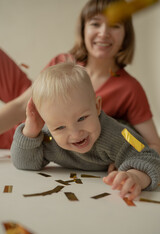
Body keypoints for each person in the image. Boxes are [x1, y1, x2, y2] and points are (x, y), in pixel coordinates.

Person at [1, 0, 160, 154]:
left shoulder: (129, 88)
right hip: (26, 112)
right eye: (95, 24)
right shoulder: (62, 62)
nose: (104, 33)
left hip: (38, 140)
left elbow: (153, 144)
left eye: (115, 26)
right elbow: (23, 106)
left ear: (126, 35)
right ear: (83, 29)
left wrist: (125, 158)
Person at [11, 62, 160, 201]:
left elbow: (149, 155)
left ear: (97, 106)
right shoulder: (48, 137)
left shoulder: (121, 134)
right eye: (60, 127)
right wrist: (30, 132)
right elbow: (23, 163)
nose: (76, 134)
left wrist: (136, 176)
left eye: (82, 118)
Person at [0, 48, 32, 149]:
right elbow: (22, 106)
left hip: (30, 134)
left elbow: (21, 107)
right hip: (28, 105)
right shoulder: (65, 61)